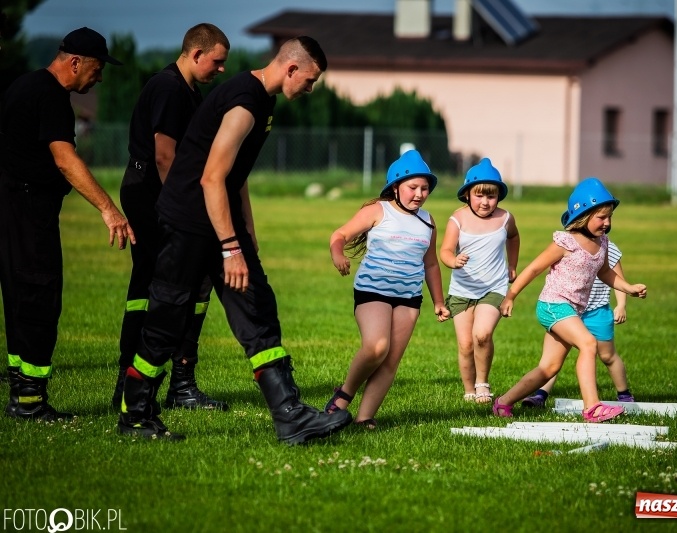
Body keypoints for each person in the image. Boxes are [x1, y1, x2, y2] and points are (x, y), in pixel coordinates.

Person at [118, 36, 352, 443]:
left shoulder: (263, 100)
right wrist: (231, 247)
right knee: (167, 321)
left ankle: (290, 416)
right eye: (310, 80)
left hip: (219, 221)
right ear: (291, 68)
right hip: (189, 222)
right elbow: (212, 178)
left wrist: (247, 232)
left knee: (257, 308)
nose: (311, 89)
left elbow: (235, 174)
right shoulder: (245, 101)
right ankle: (134, 415)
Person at [0, 27, 133, 420]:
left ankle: (20, 394)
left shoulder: (22, 86)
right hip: (28, 212)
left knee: (19, 300)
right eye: (97, 68)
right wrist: (108, 208)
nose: (100, 77)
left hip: (8, 208)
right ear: (75, 62)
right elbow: (65, 160)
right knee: (39, 300)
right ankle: (30, 401)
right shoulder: (52, 96)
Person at [112, 23, 230, 412]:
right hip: (153, 194)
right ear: (196, 54)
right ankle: (135, 384)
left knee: (186, 284)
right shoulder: (168, 88)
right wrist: (182, 210)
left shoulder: (189, 91)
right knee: (160, 286)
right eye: (217, 61)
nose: (221, 69)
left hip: (160, 194)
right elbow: (165, 156)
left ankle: (177, 383)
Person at [493, 178, 647, 422]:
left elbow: (605, 273)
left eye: (610, 217)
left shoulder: (602, 243)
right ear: (583, 215)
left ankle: (503, 402)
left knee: (549, 368)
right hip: (553, 306)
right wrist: (511, 296)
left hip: (571, 310)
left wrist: (627, 288)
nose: (607, 223)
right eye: (601, 217)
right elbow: (533, 269)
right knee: (588, 343)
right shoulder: (565, 242)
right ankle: (592, 407)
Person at [325, 149, 450, 428]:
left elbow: (431, 264)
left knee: (391, 360)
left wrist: (438, 302)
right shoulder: (378, 211)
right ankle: (343, 396)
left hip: (409, 298)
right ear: (395, 187)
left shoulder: (428, 221)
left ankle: (365, 417)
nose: (419, 194)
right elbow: (340, 234)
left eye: (424, 188)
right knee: (377, 347)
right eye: (412, 187)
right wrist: (337, 254)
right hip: (373, 292)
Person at [439, 158, 519, 403]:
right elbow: (445, 251)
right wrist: (453, 261)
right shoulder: (457, 219)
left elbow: (513, 237)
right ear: (467, 195)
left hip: (494, 288)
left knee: (482, 335)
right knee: (465, 344)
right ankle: (469, 390)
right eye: (479, 195)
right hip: (461, 290)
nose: (485, 202)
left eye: (491, 196)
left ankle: (482, 383)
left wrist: (512, 265)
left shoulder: (505, 219)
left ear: (498, 196)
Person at [521, 240, 635, 407]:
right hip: (566, 310)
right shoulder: (568, 245)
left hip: (596, 311)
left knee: (607, 356)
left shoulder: (607, 247)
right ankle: (540, 394)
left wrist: (621, 305)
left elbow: (617, 278)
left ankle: (624, 394)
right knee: (555, 358)